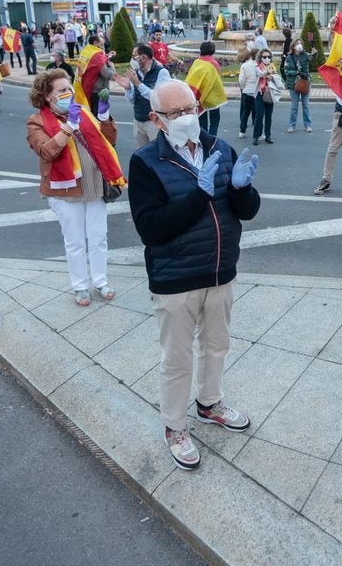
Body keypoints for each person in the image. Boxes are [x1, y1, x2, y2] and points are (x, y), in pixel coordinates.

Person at [128, 79, 261, 470]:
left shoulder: (220, 147)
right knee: (177, 358)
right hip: (176, 279)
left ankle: (209, 403)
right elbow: (151, 229)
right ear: (156, 119)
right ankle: (174, 426)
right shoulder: (146, 162)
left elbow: (247, 211)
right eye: (176, 113)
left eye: (191, 109)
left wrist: (241, 190)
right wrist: (198, 196)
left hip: (220, 270)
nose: (187, 118)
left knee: (217, 345)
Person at [26, 69, 125, 307]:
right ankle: (80, 286)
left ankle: (100, 282)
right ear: (48, 96)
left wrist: (104, 116)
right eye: (62, 90)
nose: (69, 92)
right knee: (76, 241)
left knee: (99, 238)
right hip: (65, 191)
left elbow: (109, 141)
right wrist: (68, 126)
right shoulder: (36, 121)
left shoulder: (83, 112)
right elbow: (46, 151)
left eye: (69, 87)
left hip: (94, 186)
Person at [124, 43, 170, 147]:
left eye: (134, 57)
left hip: (155, 123)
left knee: (158, 154)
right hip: (138, 121)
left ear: (143, 57)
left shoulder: (161, 73)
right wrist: (127, 89)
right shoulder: (136, 73)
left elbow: (159, 99)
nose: (132, 60)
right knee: (142, 155)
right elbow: (132, 101)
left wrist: (138, 84)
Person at [185, 40, 226, 135]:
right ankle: (212, 139)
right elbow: (216, 79)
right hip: (212, 96)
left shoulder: (197, 62)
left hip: (198, 96)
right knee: (214, 120)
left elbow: (191, 78)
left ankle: (203, 140)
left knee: (202, 121)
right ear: (213, 51)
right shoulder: (213, 63)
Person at [251, 50, 282, 146]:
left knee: (269, 116)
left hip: (269, 93)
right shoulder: (257, 67)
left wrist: (272, 77)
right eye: (264, 57)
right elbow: (260, 74)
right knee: (259, 116)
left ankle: (268, 135)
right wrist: (268, 72)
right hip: (260, 94)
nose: (266, 58)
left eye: (268, 57)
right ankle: (256, 136)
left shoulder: (272, 66)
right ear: (260, 58)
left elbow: (277, 77)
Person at [282, 40, 312, 133]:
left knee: (305, 105)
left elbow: (313, 59)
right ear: (293, 46)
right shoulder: (289, 57)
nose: (299, 45)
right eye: (297, 44)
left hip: (304, 82)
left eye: (301, 43)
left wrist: (315, 52)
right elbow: (286, 71)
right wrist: (296, 73)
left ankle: (308, 125)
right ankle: (292, 125)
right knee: (294, 106)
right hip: (293, 84)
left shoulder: (305, 55)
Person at [236, 49, 260, 139]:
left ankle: (242, 131)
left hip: (246, 91)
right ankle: (258, 133)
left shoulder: (245, 65)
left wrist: (243, 88)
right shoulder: (259, 66)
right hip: (257, 91)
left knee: (245, 112)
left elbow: (241, 80)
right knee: (258, 113)